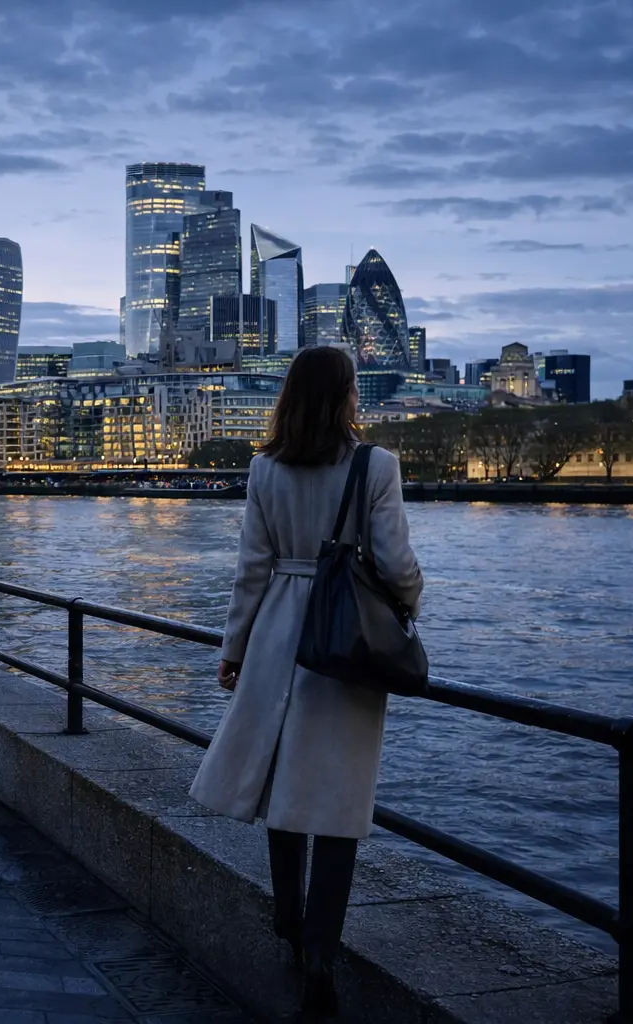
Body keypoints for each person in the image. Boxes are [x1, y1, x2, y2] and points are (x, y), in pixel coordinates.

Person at [188, 345, 423, 1019]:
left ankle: (288, 923)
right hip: (345, 638)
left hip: (276, 635)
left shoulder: (266, 468)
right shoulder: (375, 465)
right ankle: (322, 949)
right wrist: (410, 609)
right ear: (348, 394)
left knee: (285, 787)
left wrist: (234, 647)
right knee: (340, 803)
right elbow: (395, 561)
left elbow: (249, 571)